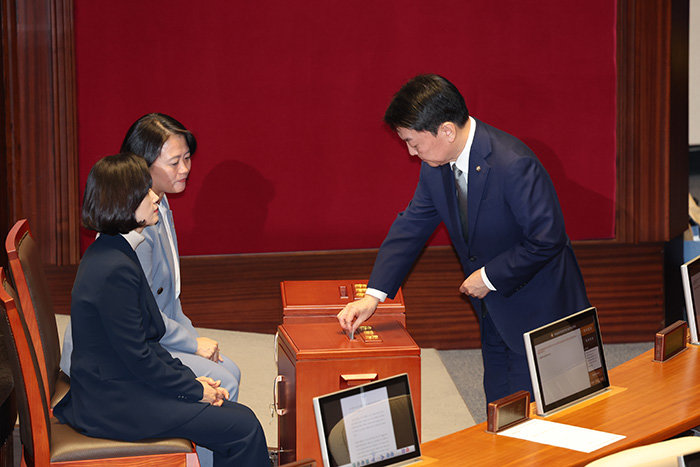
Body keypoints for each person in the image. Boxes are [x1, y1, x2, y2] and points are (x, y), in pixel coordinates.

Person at [336, 74, 590, 405]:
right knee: (502, 408)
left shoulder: (513, 163)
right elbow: (411, 226)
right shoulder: (436, 164)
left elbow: (547, 239)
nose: (412, 153)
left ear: (446, 130)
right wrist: (374, 296)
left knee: (551, 415)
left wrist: (488, 277)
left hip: (541, 312)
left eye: (414, 142)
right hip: (494, 311)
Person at [53, 153, 269, 467]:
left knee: (238, 421)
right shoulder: (114, 268)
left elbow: (146, 345)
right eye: (146, 192)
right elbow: (139, 356)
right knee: (243, 426)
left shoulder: (116, 250)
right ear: (124, 200)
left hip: (120, 387)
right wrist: (193, 389)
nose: (156, 197)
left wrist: (191, 381)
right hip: (115, 403)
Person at [61, 113, 241, 402]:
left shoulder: (159, 203)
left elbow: (170, 298)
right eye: (174, 162)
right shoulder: (133, 229)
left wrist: (193, 339)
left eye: (187, 157)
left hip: (152, 336)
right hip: (117, 352)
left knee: (228, 370)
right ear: (141, 166)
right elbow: (142, 317)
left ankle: (202, 446)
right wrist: (192, 344)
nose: (185, 169)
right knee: (225, 382)